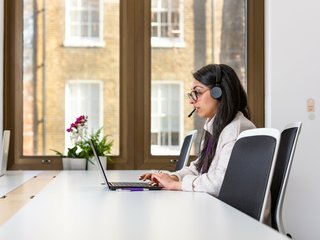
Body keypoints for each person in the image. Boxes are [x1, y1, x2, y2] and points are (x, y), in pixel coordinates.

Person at [140, 63, 256, 196]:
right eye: (192, 94)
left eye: (198, 92)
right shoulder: (214, 127)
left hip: (235, 214)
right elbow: (198, 168)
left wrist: (177, 185)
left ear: (218, 92)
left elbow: (220, 182)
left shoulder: (235, 129)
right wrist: (173, 177)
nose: (192, 101)